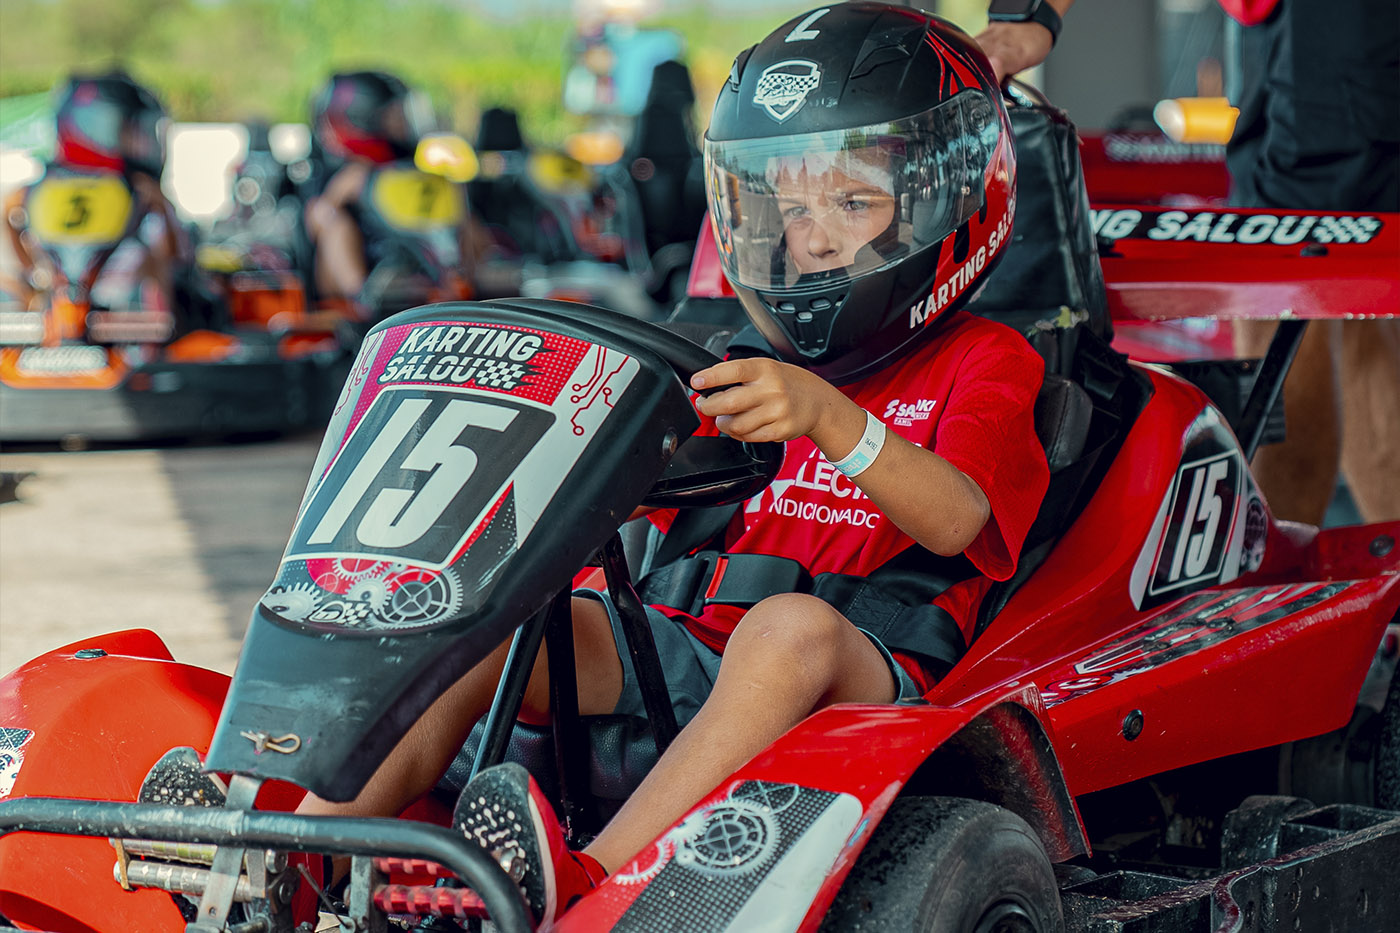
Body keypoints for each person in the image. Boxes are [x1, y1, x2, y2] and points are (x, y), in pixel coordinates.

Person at [298, 5, 1050, 927]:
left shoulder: (988, 359)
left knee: (786, 630)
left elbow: (961, 519)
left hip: (869, 675)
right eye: (794, 206)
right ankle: (303, 851)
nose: (814, 239)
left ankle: (583, 883)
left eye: (854, 203)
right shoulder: (732, 354)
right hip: (685, 654)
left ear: (948, 204)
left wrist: (829, 416)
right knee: (497, 602)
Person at [976, 0, 1400, 525]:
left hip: (1335, 30)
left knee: (1290, 280)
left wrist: (1031, 16)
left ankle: (1268, 589)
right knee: (1357, 288)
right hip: (1282, 27)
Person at [304, 70, 483, 320]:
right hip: (360, 281)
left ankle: (466, 286)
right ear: (362, 119)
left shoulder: (407, 171)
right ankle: (364, 299)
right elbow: (319, 218)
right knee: (335, 222)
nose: (405, 121)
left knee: (467, 219)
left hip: (408, 266)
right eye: (396, 114)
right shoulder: (350, 176)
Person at [3, 71, 186, 314]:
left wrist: (32, 272)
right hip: (115, 316)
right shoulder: (140, 190)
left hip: (66, 308)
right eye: (132, 130)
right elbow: (177, 257)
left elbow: (8, 213)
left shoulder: (37, 189)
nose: (141, 140)